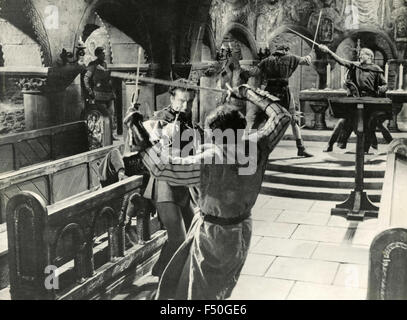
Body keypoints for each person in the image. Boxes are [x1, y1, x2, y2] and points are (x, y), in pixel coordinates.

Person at [139, 84, 291, 300]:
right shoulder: (257, 145)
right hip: (242, 229)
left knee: (201, 293)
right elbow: (282, 117)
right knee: (216, 287)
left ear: (217, 136)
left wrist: (140, 134)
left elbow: (164, 168)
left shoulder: (208, 161)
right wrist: (248, 92)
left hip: (214, 236)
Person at [143, 80, 200, 278]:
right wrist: (160, 136)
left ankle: (160, 268)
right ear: (172, 98)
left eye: (190, 101)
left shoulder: (188, 119)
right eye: (182, 101)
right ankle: (167, 281)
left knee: (193, 234)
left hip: (182, 184)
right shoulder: (161, 118)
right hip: (164, 185)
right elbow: (146, 142)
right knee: (178, 239)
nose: (186, 106)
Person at [242, 44, 313, 157]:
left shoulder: (266, 60)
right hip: (284, 92)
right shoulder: (291, 58)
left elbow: (253, 72)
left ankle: (248, 147)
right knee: (294, 119)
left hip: (270, 91)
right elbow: (306, 61)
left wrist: (244, 72)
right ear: (285, 50)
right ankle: (301, 148)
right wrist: (309, 57)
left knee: (260, 119)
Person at [318, 45, 391, 153]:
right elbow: (341, 61)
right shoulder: (355, 66)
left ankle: (367, 149)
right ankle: (330, 144)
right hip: (354, 99)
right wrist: (328, 51)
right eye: (360, 54)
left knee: (369, 123)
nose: (360, 56)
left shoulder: (376, 70)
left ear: (370, 57)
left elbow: (385, 85)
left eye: (363, 54)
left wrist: (382, 89)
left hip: (370, 101)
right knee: (342, 122)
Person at [84, 47, 117, 141]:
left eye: (104, 53)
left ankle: (111, 134)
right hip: (99, 94)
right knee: (104, 115)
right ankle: (104, 136)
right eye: (102, 53)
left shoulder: (105, 64)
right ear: (98, 54)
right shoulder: (93, 65)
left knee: (111, 114)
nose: (104, 55)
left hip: (109, 94)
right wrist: (90, 91)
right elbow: (86, 79)